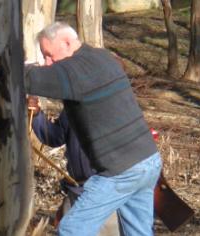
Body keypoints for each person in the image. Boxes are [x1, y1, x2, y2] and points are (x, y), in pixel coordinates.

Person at [24, 22, 160, 235]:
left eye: (49, 54)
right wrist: (37, 114)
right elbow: (56, 134)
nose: (48, 63)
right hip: (148, 161)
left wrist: (5, 64)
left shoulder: (76, 70)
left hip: (120, 170)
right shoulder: (101, 58)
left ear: (67, 42)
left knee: (71, 229)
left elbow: (29, 79)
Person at [27, 96, 122, 236]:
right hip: (76, 190)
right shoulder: (72, 107)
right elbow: (55, 137)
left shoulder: (113, 107)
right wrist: (36, 115)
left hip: (106, 192)